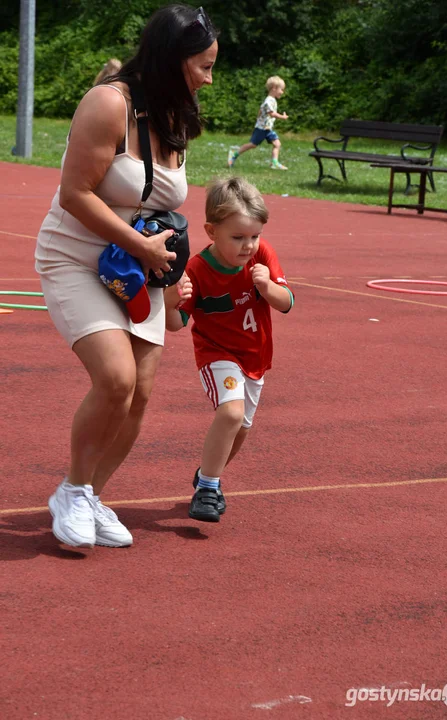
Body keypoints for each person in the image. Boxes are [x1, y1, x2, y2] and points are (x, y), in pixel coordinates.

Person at [34, 5, 218, 549]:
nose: (209, 78)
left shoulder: (176, 114)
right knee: (116, 379)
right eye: (203, 66)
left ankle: (89, 493)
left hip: (141, 271)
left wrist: (172, 266)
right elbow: (74, 194)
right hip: (78, 257)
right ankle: (70, 490)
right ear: (172, 58)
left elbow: (162, 203)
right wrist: (139, 244)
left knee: (139, 395)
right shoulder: (109, 103)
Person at [164, 177, 294, 522]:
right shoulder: (196, 268)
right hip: (217, 352)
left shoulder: (262, 256)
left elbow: (286, 303)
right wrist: (169, 300)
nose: (248, 245)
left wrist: (267, 287)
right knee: (231, 414)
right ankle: (208, 487)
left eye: (255, 235)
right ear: (211, 231)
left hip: (256, 356)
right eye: (238, 237)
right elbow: (175, 324)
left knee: (241, 428)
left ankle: (208, 474)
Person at [227, 76, 289, 171]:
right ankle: (234, 153)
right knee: (253, 145)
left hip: (268, 128)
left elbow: (260, 110)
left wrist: (259, 117)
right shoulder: (269, 100)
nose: (282, 92)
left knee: (277, 144)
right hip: (262, 129)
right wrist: (282, 117)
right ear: (274, 88)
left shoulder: (272, 100)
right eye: (281, 89)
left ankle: (274, 163)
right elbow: (271, 114)